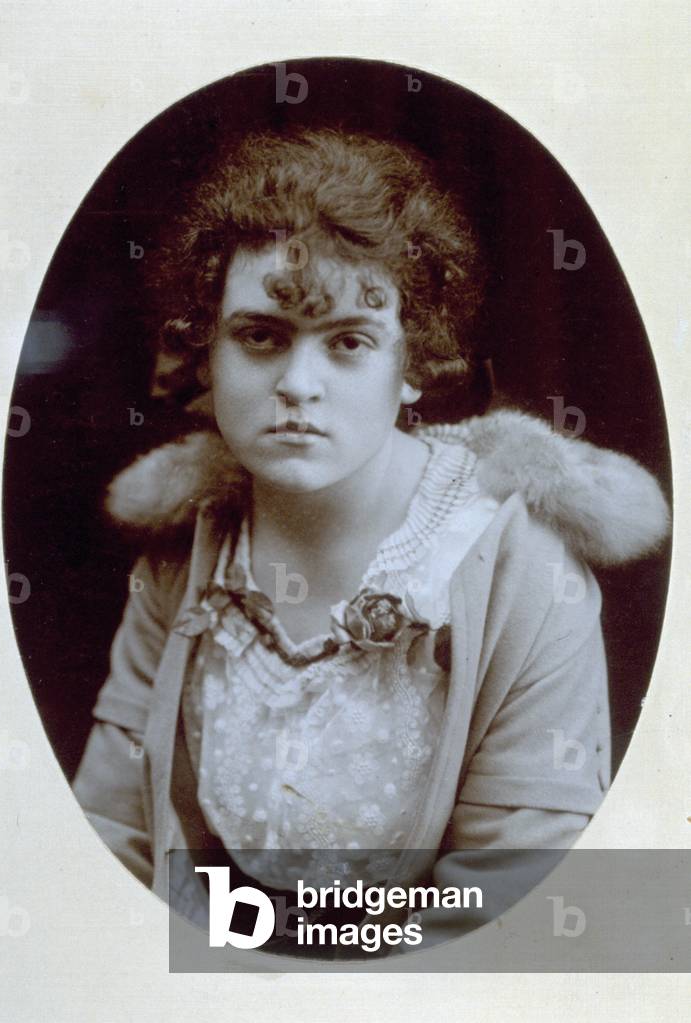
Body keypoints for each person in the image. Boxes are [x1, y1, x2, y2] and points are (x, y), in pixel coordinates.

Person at [72, 127, 669, 947]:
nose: (297, 385)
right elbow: (112, 836)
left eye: (349, 342)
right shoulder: (188, 547)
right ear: (205, 351)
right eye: (260, 335)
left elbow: (514, 895)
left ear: (413, 362)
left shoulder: (516, 567)